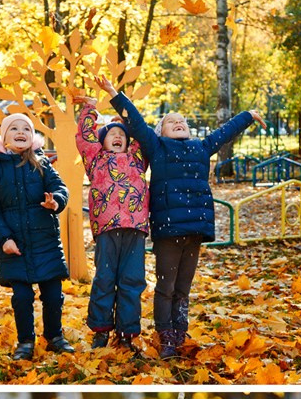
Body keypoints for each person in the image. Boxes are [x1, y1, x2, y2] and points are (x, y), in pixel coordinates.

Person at [105, 86, 261, 358]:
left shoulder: (201, 148)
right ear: (161, 132)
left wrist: (247, 115)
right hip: (168, 230)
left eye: (183, 121)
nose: (178, 123)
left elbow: (225, 133)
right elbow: (137, 122)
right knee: (166, 286)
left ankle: (180, 330)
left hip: (195, 228)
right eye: (171, 121)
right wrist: (114, 94)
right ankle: (165, 333)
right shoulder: (157, 147)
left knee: (183, 286)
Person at [0, 113, 72, 360]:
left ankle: (54, 336)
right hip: (15, 244)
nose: (21, 132)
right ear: (4, 138)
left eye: (26, 129)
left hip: (45, 241)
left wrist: (56, 202)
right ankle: (25, 341)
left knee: (53, 295)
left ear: (32, 137)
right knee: (22, 297)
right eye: (14, 129)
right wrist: (4, 239)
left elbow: (61, 188)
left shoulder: (41, 163)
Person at [73, 95, 150, 354]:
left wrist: (124, 115)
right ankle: (101, 330)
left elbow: (139, 128)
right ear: (101, 140)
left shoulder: (138, 158)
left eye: (122, 134)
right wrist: (90, 107)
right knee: (105, 279)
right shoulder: (95, 159)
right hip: (107, 229)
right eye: (111, 133)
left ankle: (127, 332)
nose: (117, 136)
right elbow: (83, 137)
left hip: (135, 230)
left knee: (132, 279)